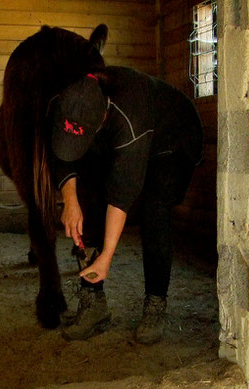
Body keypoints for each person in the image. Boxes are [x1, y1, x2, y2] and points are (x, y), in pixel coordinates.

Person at [48, 67, 203, 343]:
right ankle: (93, 304)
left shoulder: (130, 119)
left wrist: (107, 254)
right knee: (88, 196)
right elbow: (62, 153)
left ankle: (155, 304)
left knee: (154, 209)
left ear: (101, 120)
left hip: (174, 139)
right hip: (128, 133)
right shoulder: (69, 102)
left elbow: (122, 195)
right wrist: (70, 199)